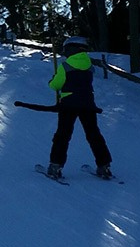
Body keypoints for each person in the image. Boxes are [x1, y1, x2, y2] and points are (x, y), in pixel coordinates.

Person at [46, 36, 113, 180]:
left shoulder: (65, 66)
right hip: (88, 104)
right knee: (93, 134)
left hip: (69, 104)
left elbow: (55, 85)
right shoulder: (89, 65)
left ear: (70, 49)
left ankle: (55, 166)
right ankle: (104, 165)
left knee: (62, 135)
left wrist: (53, 80)